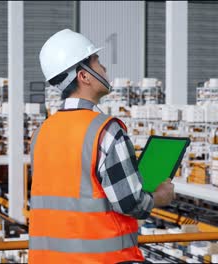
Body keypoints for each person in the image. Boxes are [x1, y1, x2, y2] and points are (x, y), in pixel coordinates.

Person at [28, 29, 175, 263]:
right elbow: (129, 202)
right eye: (97, 62)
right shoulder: (106, 131)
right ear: (83, 76)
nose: (104, 69)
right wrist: (160, 196)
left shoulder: (41, 133)